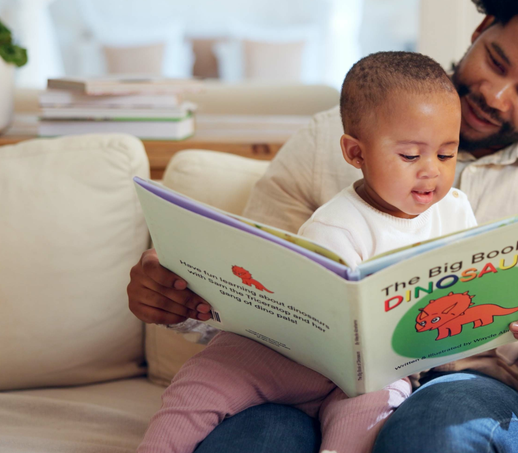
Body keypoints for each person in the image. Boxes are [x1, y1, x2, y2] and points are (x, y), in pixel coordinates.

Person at [126, 0, 518, 451]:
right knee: (258, 439)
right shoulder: (333, 136)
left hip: (468, 387)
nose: (495, 95)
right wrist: (181, 301)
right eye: (497, 62)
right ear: (481, 28)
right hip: (309, 378)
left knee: (436, 433)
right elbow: (256, 296)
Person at [137, 52, 478, 453]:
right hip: (291, 362)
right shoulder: (334, 224)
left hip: (374, 373)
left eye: (446, 153)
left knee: (378, 408)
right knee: (203, 380)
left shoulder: (456, 211)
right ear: (356, 153)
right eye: (409, 156)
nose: (432, 171)